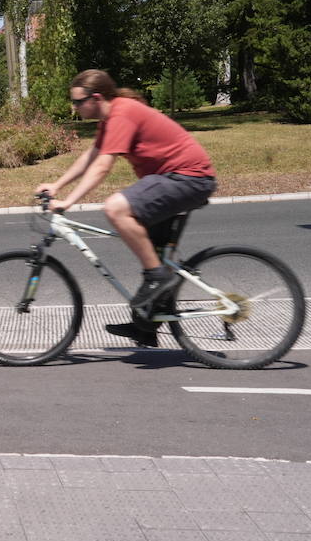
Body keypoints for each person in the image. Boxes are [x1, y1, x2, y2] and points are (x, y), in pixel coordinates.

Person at [37, 69, 217, 346]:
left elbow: (102, 166)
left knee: (116, 209)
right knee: (155, 252)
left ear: (96, 98)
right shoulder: (109, 119)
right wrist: (57, 185)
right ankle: (147, 324)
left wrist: (70, 202)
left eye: (77, 102)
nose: (74, 107)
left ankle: (158, 280)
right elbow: (92, 155)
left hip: (188, 178)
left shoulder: (122, 113)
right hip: (172, 180)